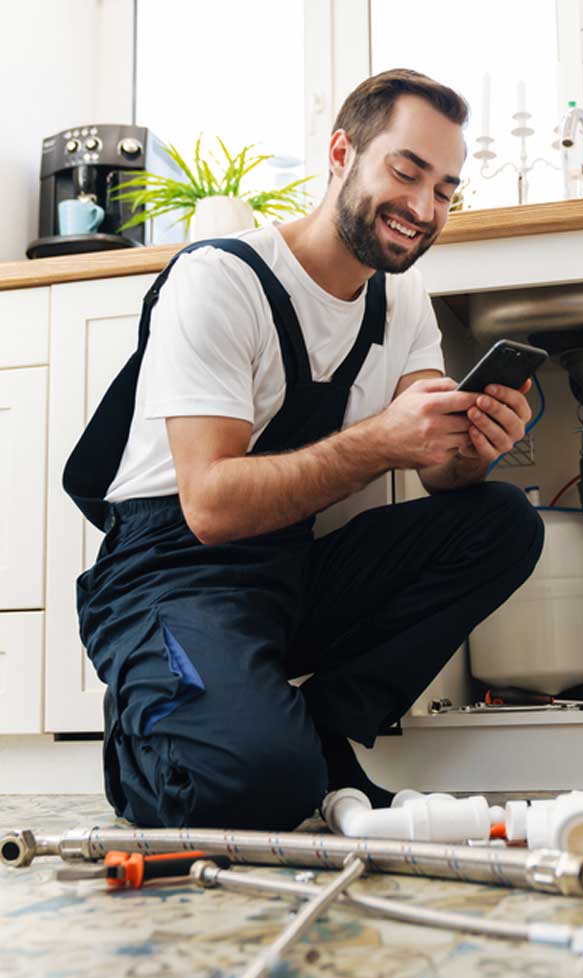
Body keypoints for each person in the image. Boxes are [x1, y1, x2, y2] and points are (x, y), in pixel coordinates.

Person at [64, 68, 545, 830]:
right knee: (257, 789)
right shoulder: (221, 280)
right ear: (341, 153)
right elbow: (211, 505)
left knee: (503, 520)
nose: (423, 209)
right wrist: (379, 441)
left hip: (287, 570)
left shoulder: (401, 299)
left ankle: (321, 729)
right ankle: (149, 736)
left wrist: (474, 449)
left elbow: (440, 471)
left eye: (446, 190)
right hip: (168, 574)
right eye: (406, 171)